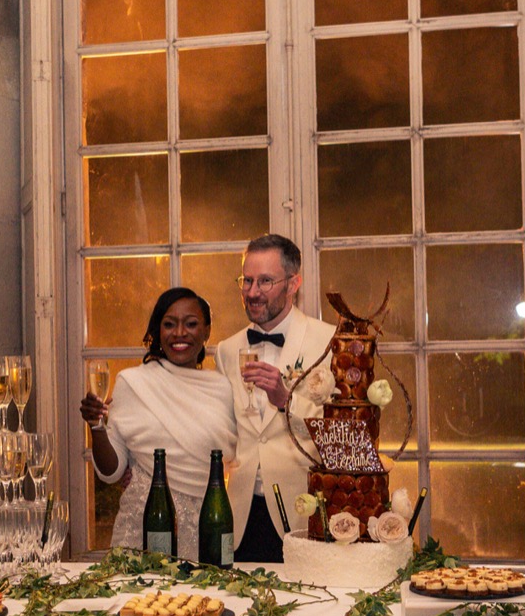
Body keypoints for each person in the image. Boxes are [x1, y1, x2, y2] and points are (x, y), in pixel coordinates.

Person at [79, 287, 237, 561]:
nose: (179, 333)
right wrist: (96, 426)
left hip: (205, 530)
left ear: (207, 331)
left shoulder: (223, 388)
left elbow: (237, 458)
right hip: (144, 527)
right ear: (157, 330)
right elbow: (112, 471)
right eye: (169, 324)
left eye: (191, 324)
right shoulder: (133, 383)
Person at [212, 234, 335, 562]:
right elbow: (225, 435)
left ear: (294, 283)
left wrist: (286, 400)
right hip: (241, 516)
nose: (252, 292)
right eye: (247, 280)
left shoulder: (329, 342)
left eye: (265, 281)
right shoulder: (226, 350)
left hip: (303, 515)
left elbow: (340, 434)